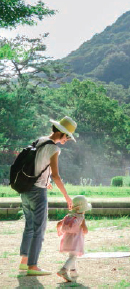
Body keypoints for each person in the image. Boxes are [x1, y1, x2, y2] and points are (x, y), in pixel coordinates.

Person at [19, 116, 77, 276]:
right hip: (38, 192)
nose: (67, 140)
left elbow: (36, 164)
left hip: (26, 189)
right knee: (39, 228)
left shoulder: (39, 141)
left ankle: (24, 262)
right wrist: (67, 196)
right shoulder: (54, 149)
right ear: (62, 134)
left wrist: (46, 179)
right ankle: (33, 266)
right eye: (68, 137)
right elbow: (57, 175)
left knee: (29, 226)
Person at [56, 195, 91, 282]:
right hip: (76, 240)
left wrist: (59, 231)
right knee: (74, 256)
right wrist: (85, 232)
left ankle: (73, 272)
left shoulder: (69, 215)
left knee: (71, 255)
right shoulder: (81, 218)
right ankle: (63, 270)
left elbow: (59, 223)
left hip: (67, 238)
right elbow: (85, 230)